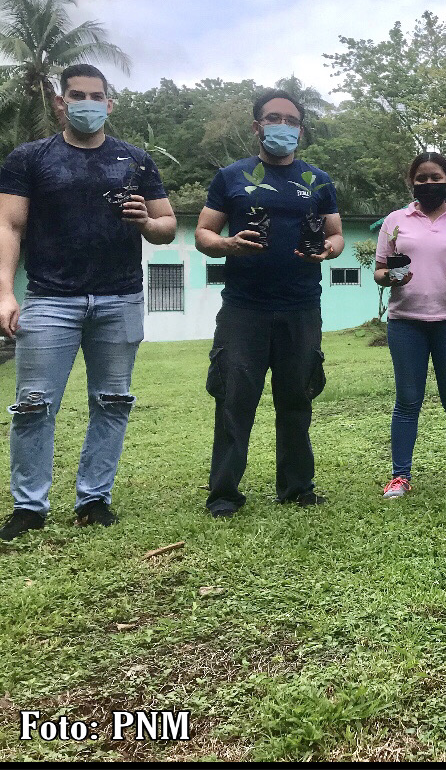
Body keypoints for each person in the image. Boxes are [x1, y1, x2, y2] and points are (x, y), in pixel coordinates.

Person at [0, 64, 176, 541]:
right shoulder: (29, 158)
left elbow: (167, 227)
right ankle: (28, 507)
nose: (87, 103)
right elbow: (9, 226)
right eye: (77, 95)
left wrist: (146, 222)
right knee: (33, 405)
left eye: (96, 96)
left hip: (120, 298)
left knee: (112, 402)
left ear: (109, 104)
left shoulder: (135, 160)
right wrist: (4, 291)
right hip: (49, 299)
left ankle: (94, 500)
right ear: (61, 101)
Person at [195, 89, 343, 517]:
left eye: (291, 120)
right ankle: (224, 494)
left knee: (297, 398)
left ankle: (297, 487)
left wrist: (327, 251)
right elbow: (204, 233)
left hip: (301, 306)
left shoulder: (317, 180)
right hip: (244, 308)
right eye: (274, 118)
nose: (283, 126)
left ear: (301, 130)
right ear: (257, 126)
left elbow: (335, 235)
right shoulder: (231, 177)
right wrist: (228, 244)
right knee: (234, 400)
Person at [375, 152, 446, 496]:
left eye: (436, 177)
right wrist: (391, 276)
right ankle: (400, 476)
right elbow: (380, 271)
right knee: (407, 401)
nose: (429, 183)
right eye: (421, 178)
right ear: (412, 182)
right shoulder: (395, 220)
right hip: (406, 322)